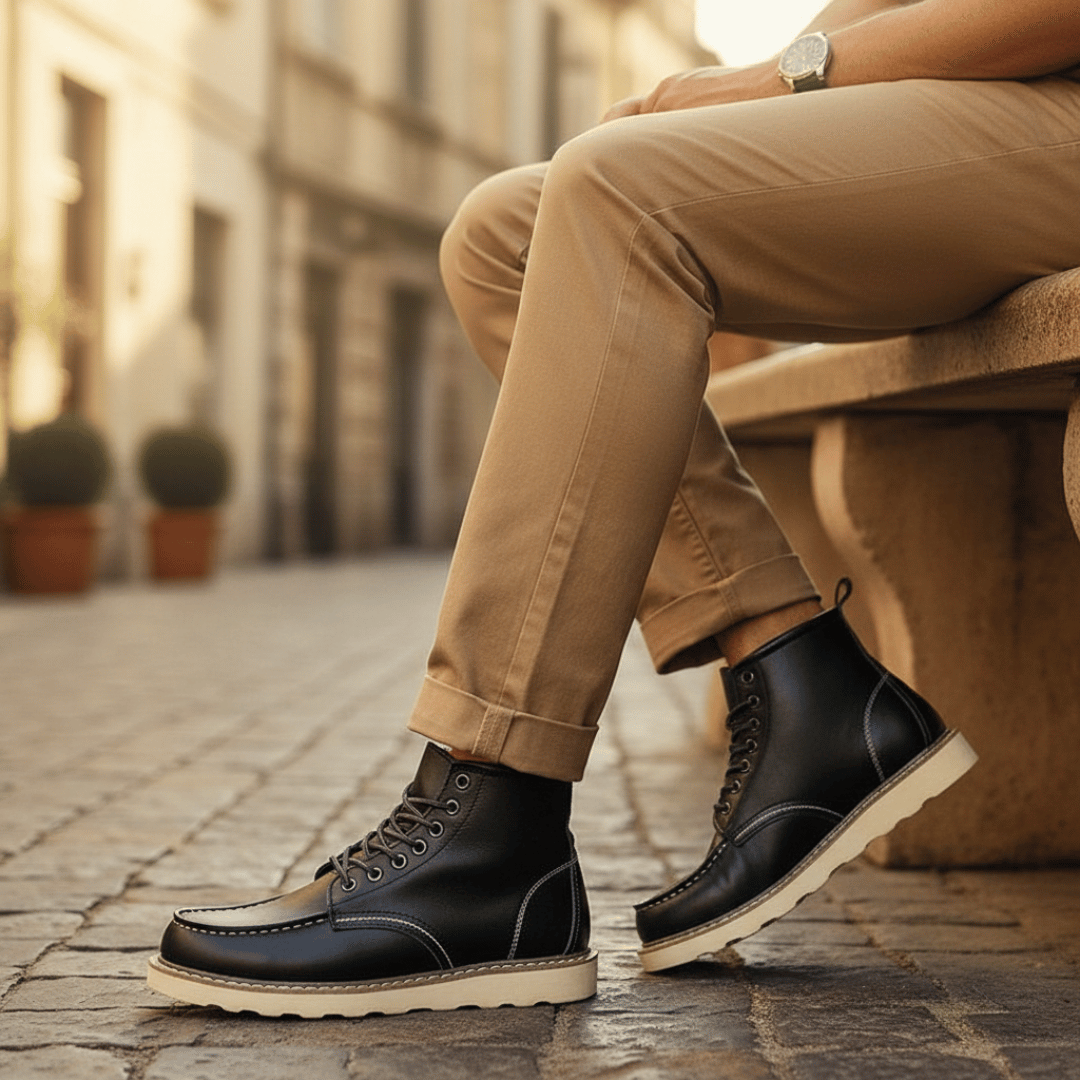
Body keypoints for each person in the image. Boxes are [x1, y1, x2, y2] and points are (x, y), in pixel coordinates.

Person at [148, 0, 1080, 1017]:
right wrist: (772, 73)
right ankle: (799, 672)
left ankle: (490, 819)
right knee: (503, 232)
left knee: (618, 191)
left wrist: (772, 81)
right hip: (992, 105)